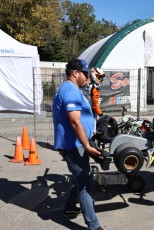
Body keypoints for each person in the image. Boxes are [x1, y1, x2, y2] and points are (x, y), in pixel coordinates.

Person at [52, 58, 104, 230]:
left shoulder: (71, 89)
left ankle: (68, 207)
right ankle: (94, 226)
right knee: (84, 183)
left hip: (75, 143)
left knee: (78, 176)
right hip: (76, 145)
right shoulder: (70, 91)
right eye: (86, 74)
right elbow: (75, 122)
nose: (88, 78)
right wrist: (88, 147)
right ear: (75, 73)